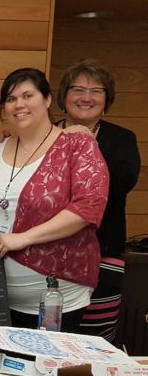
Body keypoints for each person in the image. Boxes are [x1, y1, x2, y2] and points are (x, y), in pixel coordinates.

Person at [0, 68, 109, 332]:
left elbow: (88, 205)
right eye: (10, 99)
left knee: (48, 370)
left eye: (27, 95)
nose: (19, 104)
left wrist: (25, 237)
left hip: (53, 298)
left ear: (47, 100)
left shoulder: (76, 145)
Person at [55, 60, 141, 341]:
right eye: (78, 89)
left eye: (96, 91)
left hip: (103, 253)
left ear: (106, 99)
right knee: (48, 334)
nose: (86, 97)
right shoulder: (45, 134)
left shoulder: (121, 138)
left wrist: (87, 142)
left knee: (94, 339)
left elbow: (121, 184)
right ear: (64, 96)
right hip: (47, 254)